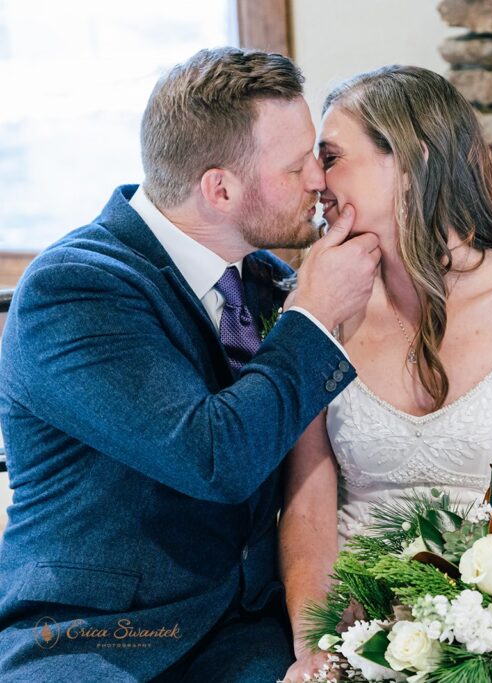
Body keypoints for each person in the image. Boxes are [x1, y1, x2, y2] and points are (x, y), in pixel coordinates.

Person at [0, 47, 380, 681]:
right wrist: (312, 316)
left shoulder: (267, 281)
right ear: (220, 188)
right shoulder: (73, 289)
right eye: (297, 166)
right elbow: (214, 458)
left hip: (246, 633)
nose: (320, 178)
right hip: (92, 637)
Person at [278, 65, 492, 683]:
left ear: (413, 160)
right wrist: (317, 645)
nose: (316, 181)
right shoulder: (318, 309)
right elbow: (308, 506)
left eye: (331, 157)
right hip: (363, 634)